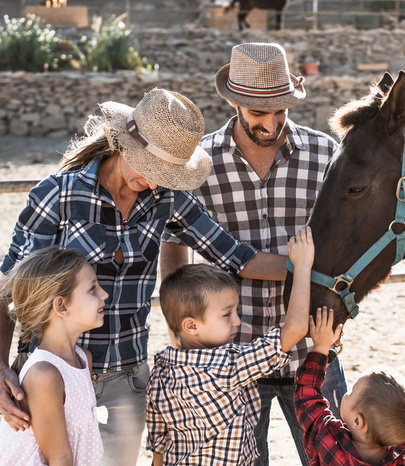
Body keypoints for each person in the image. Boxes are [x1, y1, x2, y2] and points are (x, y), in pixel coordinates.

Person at [0, 88, 287, 466]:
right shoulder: (58, 196)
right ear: (125, 146)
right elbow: (8, 290)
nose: (154, 183)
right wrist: (0, 367)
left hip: (127, 380)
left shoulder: (165, 197)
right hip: (48, 380)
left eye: (165, 175)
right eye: (149, 169)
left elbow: (237, 256)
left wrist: (318, 272)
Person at [159, 42, 346, 466]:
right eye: (260, 112)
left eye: (282, 109)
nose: (273, 121)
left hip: (314, 349)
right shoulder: (198, 162)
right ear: (233, 101)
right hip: (230, 355)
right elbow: (174, 242)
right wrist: (177, 324)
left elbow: (350, 233)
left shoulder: (326, 155)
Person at [147, 226, 315, 465]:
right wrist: (302, 266)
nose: (237, 320)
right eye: (227, 314)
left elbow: (159, 444)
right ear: (191, 326)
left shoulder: (161, 369)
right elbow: (295, 329)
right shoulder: (228, 365)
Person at [0, 246, 109, 465]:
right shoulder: (44, 374)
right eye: (92, 289)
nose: (104, 294)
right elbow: (59, 458)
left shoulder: (82, 358)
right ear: (61, 305)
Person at [294, 307, 405, 466]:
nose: (346, 393)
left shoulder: (330, 442)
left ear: (357, 421)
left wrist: (320, 347)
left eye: (351, 392)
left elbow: (307, 397)